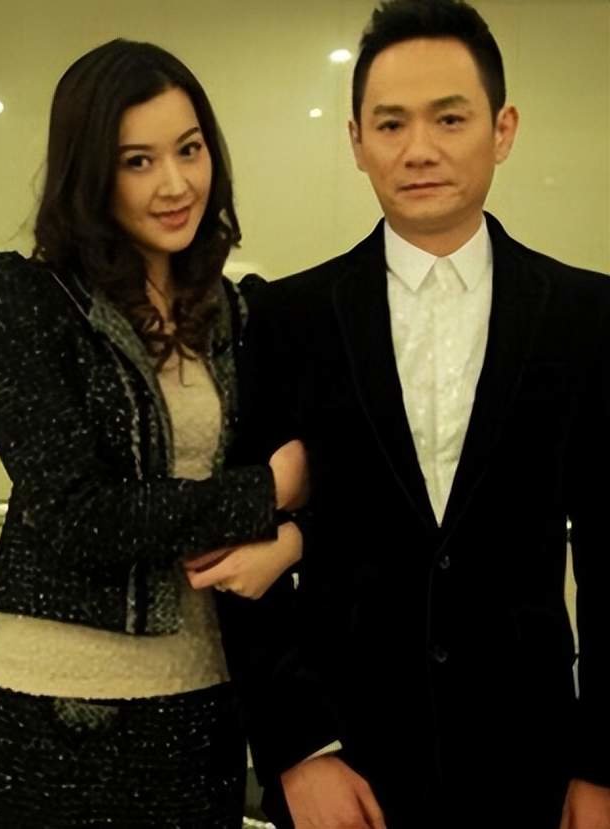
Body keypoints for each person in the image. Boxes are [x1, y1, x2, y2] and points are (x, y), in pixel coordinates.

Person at [201, 2, 610, 827]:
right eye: (390, 124)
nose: (419, 149)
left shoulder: (585, 314)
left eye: (449, 118)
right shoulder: (287, 318)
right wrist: (299, 749)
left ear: (502, 129)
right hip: (348, 766)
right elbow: (245, 556)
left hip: (532, 765)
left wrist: (601, 765)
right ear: (357, 141)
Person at [0, 39, 307, 828]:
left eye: (189, 149)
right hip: (62, 710)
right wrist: (268, 491)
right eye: (137, 161)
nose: (176, 183)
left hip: (208, 699)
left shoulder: (240, 311)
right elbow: (79, 514)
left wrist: (292, 537)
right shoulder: (25, 296)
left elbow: (342, 466)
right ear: (91, 173)